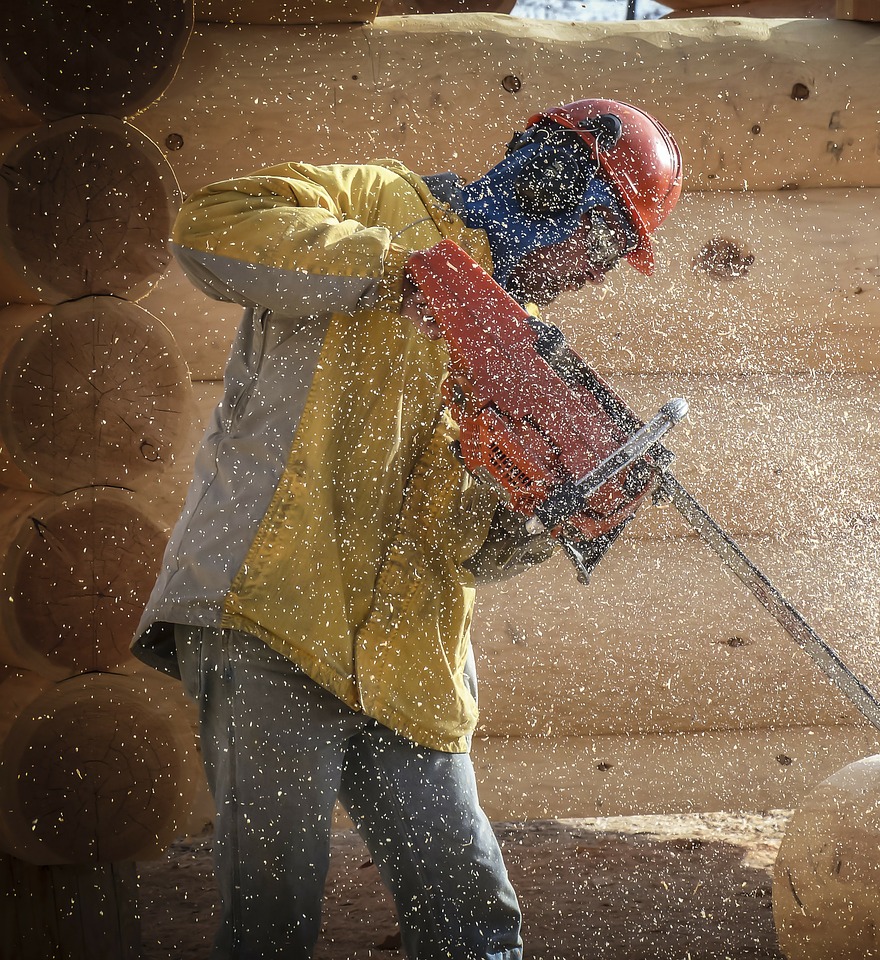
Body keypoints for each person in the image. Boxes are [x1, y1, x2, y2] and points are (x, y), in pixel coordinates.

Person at [131, 99, 683, 960]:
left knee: (475, 919)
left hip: (407, 666)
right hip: (268, 616)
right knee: (274, 924)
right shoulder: (373, 201)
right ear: (556, 188)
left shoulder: (525, 352)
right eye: (607, 242)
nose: (597, 274)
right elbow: (210, 225)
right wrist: (402, 269)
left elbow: (464, 543)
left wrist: (544, 513)